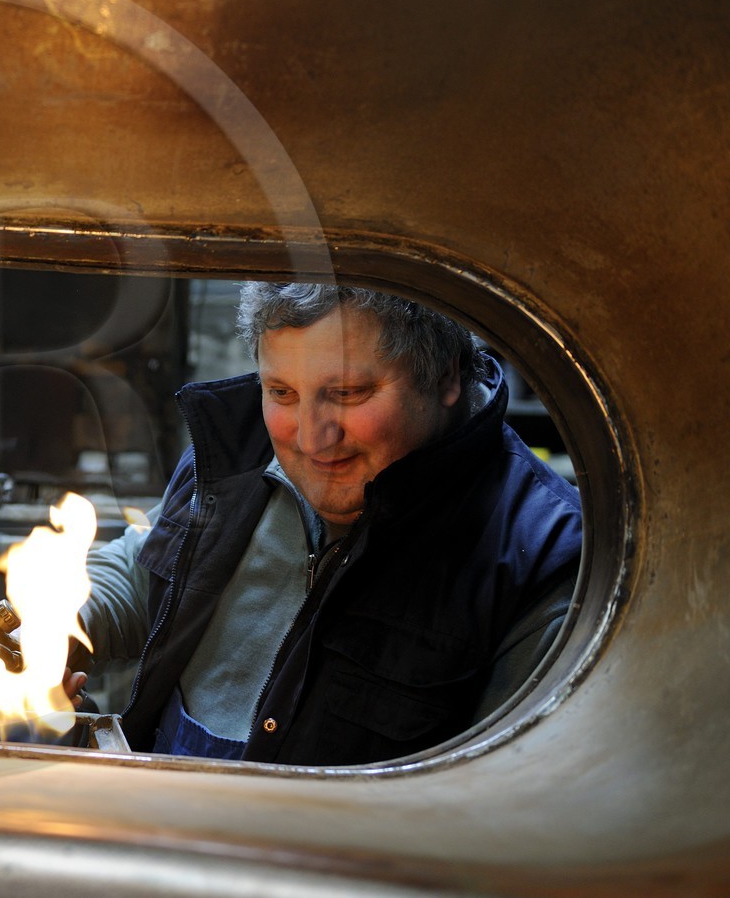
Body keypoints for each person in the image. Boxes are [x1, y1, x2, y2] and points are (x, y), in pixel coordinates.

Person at [70, 282, 582, 765]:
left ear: (446, 376)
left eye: (347, 392)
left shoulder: (543, 558)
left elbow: (506, 797)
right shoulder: (237, 458)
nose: (310, 440)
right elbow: (142, 573)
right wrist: (63, 626)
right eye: (282, 392)